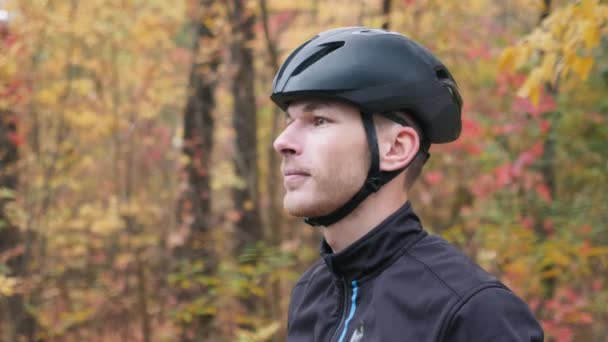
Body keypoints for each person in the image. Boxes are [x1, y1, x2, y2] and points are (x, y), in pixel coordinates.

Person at [270, 27, 544, 342]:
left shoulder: (472, 311)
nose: (282, 142)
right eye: (289, 122)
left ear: (396, 148)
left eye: (319, 120)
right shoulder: (310, 295)